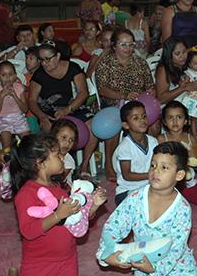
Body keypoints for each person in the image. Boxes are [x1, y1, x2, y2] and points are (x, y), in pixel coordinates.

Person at [98, 141, 197, 276]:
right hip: (143, 265)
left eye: (164, 167)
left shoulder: (182, 208)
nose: (155, 171)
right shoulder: (135, 199)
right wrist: (106, 254)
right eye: (153, 165)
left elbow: (176, 248)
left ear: (179, 175)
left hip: (178, 266)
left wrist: (155, 268)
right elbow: (113, 227)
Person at [6, 134, 107, 276]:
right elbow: (28, 231)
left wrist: (94, 206)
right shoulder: (26, 194)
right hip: (38, 262)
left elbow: (78, 220)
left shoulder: (61, 188)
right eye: (57, 155)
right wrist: (58, 215)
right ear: (41, 163)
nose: (63, 158)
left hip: (66, 259)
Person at [94, 28, 154, 179]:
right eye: (123, 44)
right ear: (114, 46)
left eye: (131, 44)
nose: (128, 48)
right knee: (113, 124)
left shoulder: (140, 63)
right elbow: (102, 89)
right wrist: (124, 95)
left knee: (154, 122)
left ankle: (149, 161)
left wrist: (147, 94)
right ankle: (109, 165)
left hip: (137, 103)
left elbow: (150, 86)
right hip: (113, 103)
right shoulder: (105, 63)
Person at [158, 101, 197, 210]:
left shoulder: (190, 138)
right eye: (170, 118)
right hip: (167, 183)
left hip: (187, 182)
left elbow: (196, 165)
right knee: (164, 207)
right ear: (164, 121)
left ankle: (182, 196)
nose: (175, 121)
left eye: (179, 117)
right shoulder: (161, 139)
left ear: (186, 120)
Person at [27, 42, 91, 132]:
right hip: (50, 112)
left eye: (47, 59)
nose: (44, 63)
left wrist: (67, 110)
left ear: (57, 56)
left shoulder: (73, 68)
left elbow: (83, 93)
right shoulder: (39, 75)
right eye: (41, 60)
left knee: (90, 126)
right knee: (54, 130)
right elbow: (31, 100)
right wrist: (41, 116)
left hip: (74, 107)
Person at [114, 101, 158, 207]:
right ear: (126, 125)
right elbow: (127, 175)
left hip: (150, 185)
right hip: (128, 190)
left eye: (144, 116)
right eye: (136, 118)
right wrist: (150, 175)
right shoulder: (125, 147)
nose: (142, 121)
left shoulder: (153, 141)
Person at [0, 61, 30, 157]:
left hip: (19, 118)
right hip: (3, 119)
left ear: (15, 76)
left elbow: (25, 109)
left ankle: (24, 163)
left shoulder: (19, 88)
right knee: (6, 144)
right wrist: (1, 96)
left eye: (11, 74)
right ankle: (7, 165)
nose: (8, 78)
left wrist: (16, 97)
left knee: (28, 143)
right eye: (4, 75)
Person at [51, 119, 78, 188]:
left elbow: (58, 179)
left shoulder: (68, 160)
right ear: (53, 136)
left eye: (71, 140)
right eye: (64, 137)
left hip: (63, 189)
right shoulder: (47, 154)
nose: (67, 143)